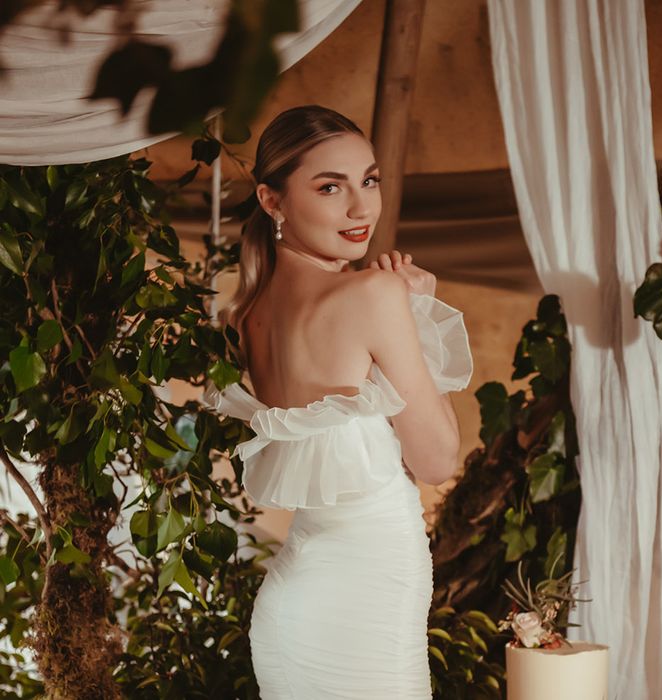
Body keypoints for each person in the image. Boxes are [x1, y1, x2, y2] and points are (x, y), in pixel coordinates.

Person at [206, 105, 473, 699]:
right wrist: (417, 313)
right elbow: (435, 462)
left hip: (295, 606)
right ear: (272, 201)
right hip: (364, 609)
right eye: (331, 187)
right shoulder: (375, 294)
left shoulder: (247, 315)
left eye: (369, 180)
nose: (361, 209)